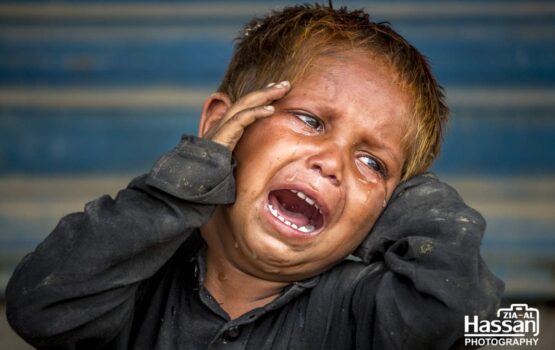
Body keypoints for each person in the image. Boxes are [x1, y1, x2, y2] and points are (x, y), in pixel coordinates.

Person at [6, 4, 504, 349]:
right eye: (310, 121)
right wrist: (195, 173)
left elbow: (471, 319)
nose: (332, 162)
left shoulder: (367, 307)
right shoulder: (132, 278)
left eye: (371, 161)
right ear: (223, 126)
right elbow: (40, 306)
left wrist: (393, 192)